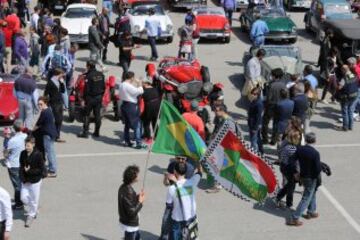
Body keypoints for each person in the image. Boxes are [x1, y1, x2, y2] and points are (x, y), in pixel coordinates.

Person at [287, 132, 321, 226]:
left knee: (312, 192)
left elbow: (291, 161)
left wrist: (295, 172)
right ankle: (295, 218)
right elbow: (317, 168)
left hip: (302, 176)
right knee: (306, 197)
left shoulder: (299, 149)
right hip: (311, 177)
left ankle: (311, 211)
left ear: (305, 140)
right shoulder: (315, 153)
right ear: (314, 141)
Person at [160, 156, 195, 240]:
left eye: (183, 159)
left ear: (186, 160)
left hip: (183, 204)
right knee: (165, 221)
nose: (181, 160)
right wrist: (166, 177)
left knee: (180, 229)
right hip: (173, 199)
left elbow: (186, 188)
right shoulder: (172, 165)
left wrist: (176, 183)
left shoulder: (189, 168)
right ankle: (164, 236)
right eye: (178, 158)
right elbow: (166, 184)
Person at [166, 161, 202, 240]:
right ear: (185, 171)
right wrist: (199, 163)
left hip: (177, 220)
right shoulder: (192, 182)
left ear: (175, 171)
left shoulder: (172, 188)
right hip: (191, 219)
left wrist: (172, 182)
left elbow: (169, 205)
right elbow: (199, 173)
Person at [19, 136, 45, 227]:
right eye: (25, 145)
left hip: (35, 181)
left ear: (33, 145)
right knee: (23, 198)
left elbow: (41, 170)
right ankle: (34, 207)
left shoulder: (38, 154)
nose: (26, 147)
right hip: (25, 180)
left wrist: (29, 171)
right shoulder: (22, 153)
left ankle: (31, 215)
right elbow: (21, 166)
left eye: (28, 145)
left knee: (34, 199)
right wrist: (22, 177)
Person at [78, 61, 106, 138]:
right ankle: (97, 132)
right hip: (99, 97)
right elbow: (104, 87)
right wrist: (101, 96)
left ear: (88, 66)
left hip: (90, 98)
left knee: (87, 115)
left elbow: (86, 89)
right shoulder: (101, 74)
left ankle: (85, 133)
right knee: (97, 115)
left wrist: (83, 99)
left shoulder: (88, 76)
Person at [274, 129, 301, 209]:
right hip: (289, 169)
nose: (300, 137)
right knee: (291, 187)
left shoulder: (286, 145)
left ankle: (278, 197)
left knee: (289, 185)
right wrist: (297, 173)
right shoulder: (292, 149)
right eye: (298, 136)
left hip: (284, 167)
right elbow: (296, 163)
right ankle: (289, 204)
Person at [119, 71, 146, 149]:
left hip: (124, 105)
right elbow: (140, 91)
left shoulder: (122, 84)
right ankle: (138, 142)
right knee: (137, 124)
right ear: (131, 78)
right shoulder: (128, 86)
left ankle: (127, 141)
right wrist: (140, 83)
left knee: (127, 124)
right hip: (131, 106)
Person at [4, 120, 27, 210]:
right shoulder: (25, 136)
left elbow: (6, 154)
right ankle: (23, 199)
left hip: (14, 165)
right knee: (22, 183)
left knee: (17, 185)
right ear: (22, 127)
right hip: (23, 163)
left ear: (14, 128)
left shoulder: (11, 141)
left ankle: (18, 204)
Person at [118, 165, 145, 240]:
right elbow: (132, 212)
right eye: (137, 175)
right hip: (130, 223)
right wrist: (140, 201)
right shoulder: (129, 191)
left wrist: (137, 197)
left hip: (126, 221)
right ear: (132, 178)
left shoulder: (123, 187)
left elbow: (128, 202)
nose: (138, 177)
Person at [33, 96, 58, 177]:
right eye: (38, 104)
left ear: (45, 103)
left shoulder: (45, 112)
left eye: (41, 104)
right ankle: (53, 168)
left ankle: (52, 171)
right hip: (51, 133)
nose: (39, 106)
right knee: (52, 152)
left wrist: (31, 130)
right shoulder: (49, 110)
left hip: (47, 135)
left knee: (50, 153)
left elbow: (38, 124)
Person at [262, 68, 287, 145]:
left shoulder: (271, 85)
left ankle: (265, 139)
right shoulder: (284, 85)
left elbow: (268, 98)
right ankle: (273, 140)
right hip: (280, 107)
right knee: (276, 124)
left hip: (271, 106)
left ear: (275, 76)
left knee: (265, 122)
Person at [44, 68, 66, 142]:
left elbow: (63, 91)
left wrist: (62, 83)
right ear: (58, 74)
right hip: (54, 103)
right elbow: (45, 93)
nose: (62, 76)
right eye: (61, 74)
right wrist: (46, 103)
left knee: (59, 120)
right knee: (57, 119)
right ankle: (55, 135)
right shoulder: (50, 82)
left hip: (60, 102)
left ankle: (57, 135)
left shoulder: (60, 81)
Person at [336, 65, 359, 131]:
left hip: (346, 97)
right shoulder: (354, 75)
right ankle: (350, 126)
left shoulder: (344, 78)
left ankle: (345, 127)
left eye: (342, 70)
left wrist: (337, 86)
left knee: (345, 111)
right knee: (350, 111)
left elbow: (339, 87)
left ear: (344, 70)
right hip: (354, 95)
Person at [141, 77, 160, 143]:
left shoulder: (143, 91)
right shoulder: (155, 89)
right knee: (154, 122)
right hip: (156, 107)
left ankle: (148, 137)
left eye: (142, 83)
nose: (142, 84)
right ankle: (157, 136)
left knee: (146, 122)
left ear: (146, 83)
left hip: (149, 107)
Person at [247, 86, 264, 153]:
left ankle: (254, 153)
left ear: (258, 95)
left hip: (254, 124)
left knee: (253, 140)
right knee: (258, 138)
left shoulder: (258, 103)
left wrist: (255, 127)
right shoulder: (254, 101)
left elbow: (258, 117)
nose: (252, 95)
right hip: (252, 123)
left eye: (254, 94)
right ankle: (260, 151)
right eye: (252, 93)